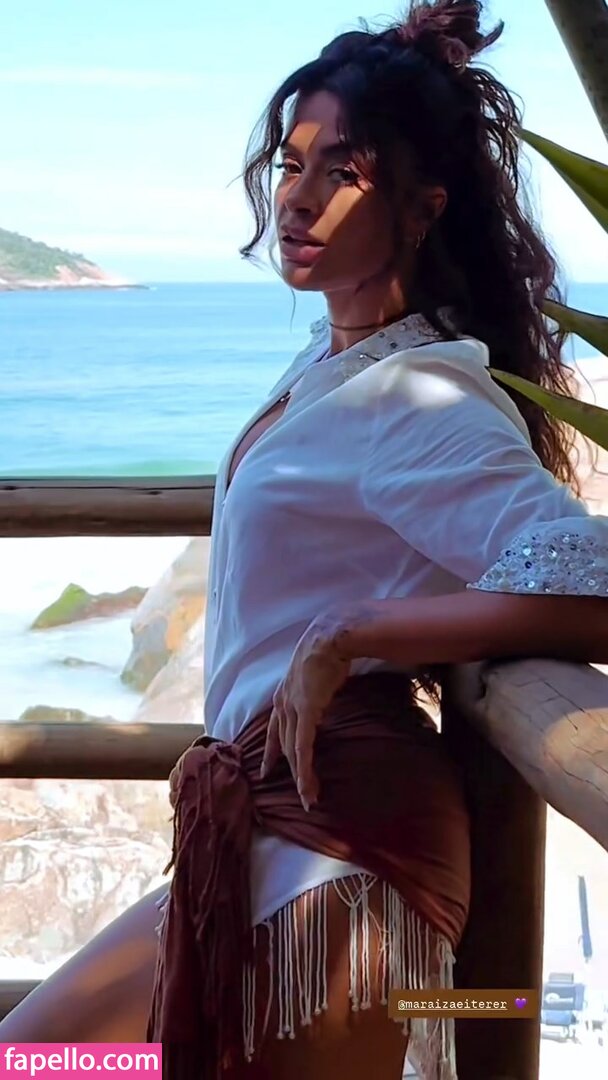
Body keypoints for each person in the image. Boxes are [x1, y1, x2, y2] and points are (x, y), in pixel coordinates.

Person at [2, 1, 607, 1077]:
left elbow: (592, 580)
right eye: (291, 163)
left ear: (421, 210)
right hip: (264, 819)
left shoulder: (420, 395)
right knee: (34, 1057)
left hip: (344, 844)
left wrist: (360, 631)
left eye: (345, 172)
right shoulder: (336, 366)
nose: (299, 196)